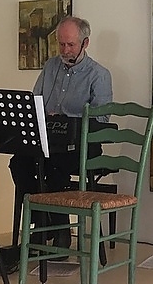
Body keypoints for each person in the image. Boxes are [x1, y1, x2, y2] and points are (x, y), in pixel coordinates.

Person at [9, 16, 113, 256]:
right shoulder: (50, 67)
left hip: (84, 146)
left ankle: (58, 228)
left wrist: (66, 119)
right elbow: (34, 102)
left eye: (71, 45)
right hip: (50, 143)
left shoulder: (99, 75)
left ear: (85, 43)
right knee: (19, 162)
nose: (65, 50)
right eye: (61, 44)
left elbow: (102, 121)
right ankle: (45, 223)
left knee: (52, 166)